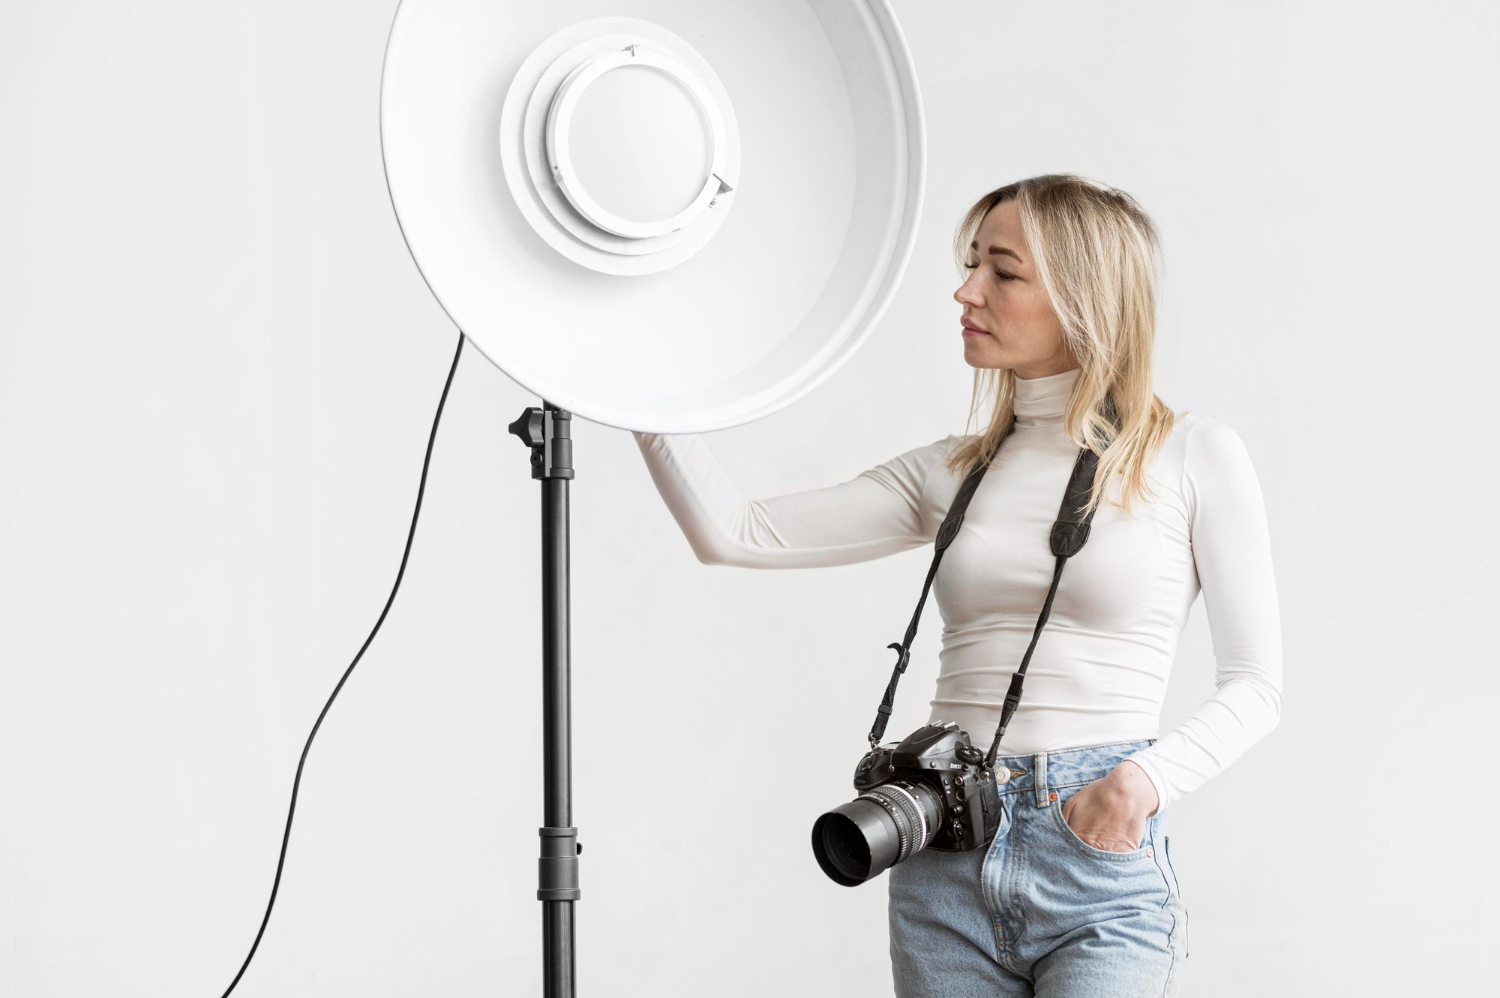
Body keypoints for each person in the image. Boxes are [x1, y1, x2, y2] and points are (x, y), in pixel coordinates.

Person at [632, 174, 1282, 997]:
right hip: (941, 842)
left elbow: (1257, 685)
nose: (966, 290)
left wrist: (1138, 784)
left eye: (1001, 272)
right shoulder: (952, 470)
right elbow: (733, 532)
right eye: (972, 264)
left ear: (1083, 296)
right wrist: (629, 382)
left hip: (1095, 854)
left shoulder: (1192, 455)